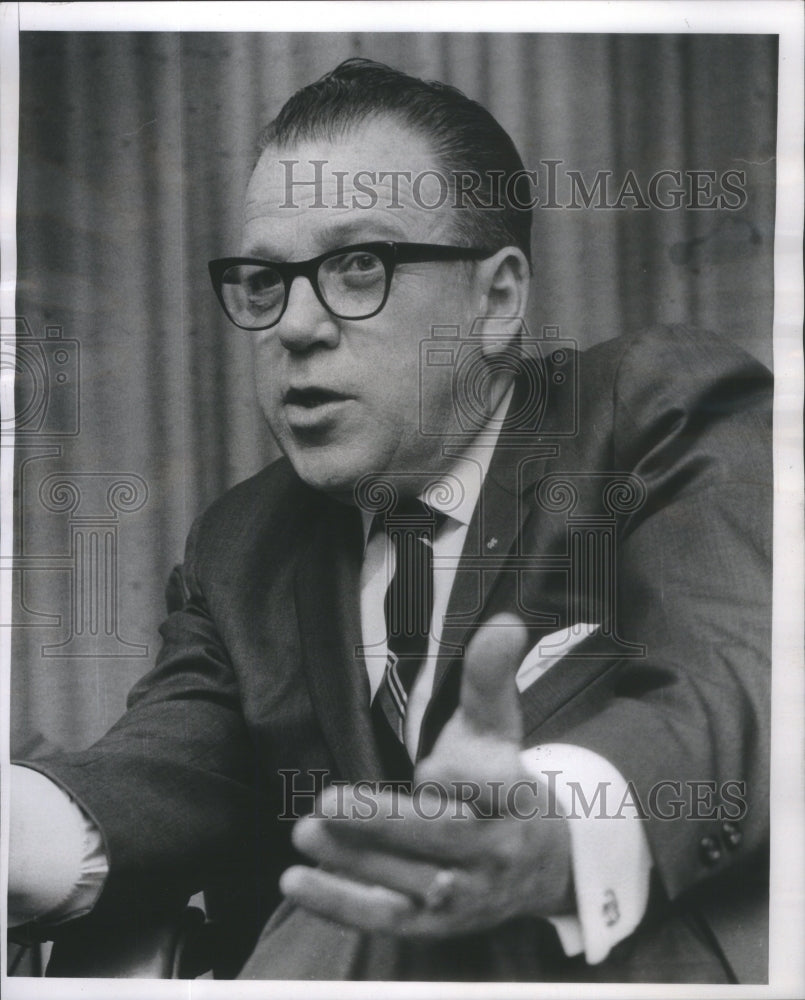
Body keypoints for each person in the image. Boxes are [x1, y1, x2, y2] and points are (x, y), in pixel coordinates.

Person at [9, 58, 771, 983]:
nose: (293, 326)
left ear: (496, 299)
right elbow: (164, 773)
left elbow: (741, 680)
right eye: (264, 281)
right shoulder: (242, 543)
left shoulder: (649, 412)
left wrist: (552, 825)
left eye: (357, 267)